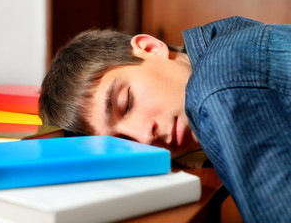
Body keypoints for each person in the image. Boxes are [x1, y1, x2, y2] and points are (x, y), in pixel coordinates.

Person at [39, 16, 291, 222]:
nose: (145, 137)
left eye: (127, 104)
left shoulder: (216, 90)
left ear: (150, 48)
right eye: (122, 142)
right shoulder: (226, 40)